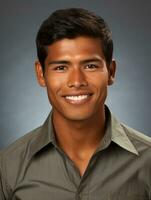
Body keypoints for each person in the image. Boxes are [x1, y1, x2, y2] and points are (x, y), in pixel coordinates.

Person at [0, 8, 151, 200]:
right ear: (41, 74)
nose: (77, 81)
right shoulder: (7, 166)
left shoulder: (148, 162)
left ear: (111, 72)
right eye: (61, 67)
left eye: (90, 66)